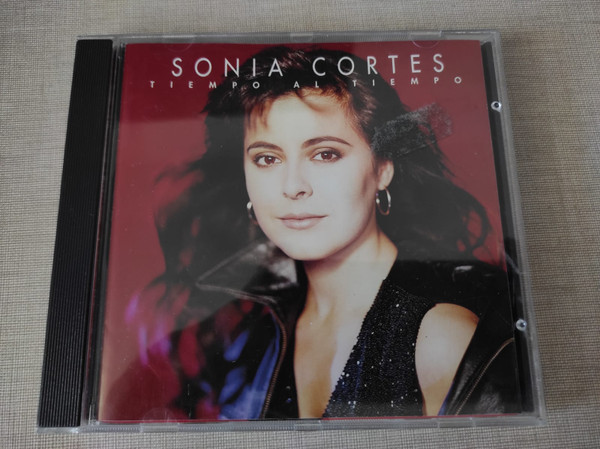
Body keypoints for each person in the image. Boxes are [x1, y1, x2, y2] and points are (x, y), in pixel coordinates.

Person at [117, 46, 520, 421]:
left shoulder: (439, 338)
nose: (293, 186)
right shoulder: (246, 329)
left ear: (383, 169)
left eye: (325, 154)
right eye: (267, 158)